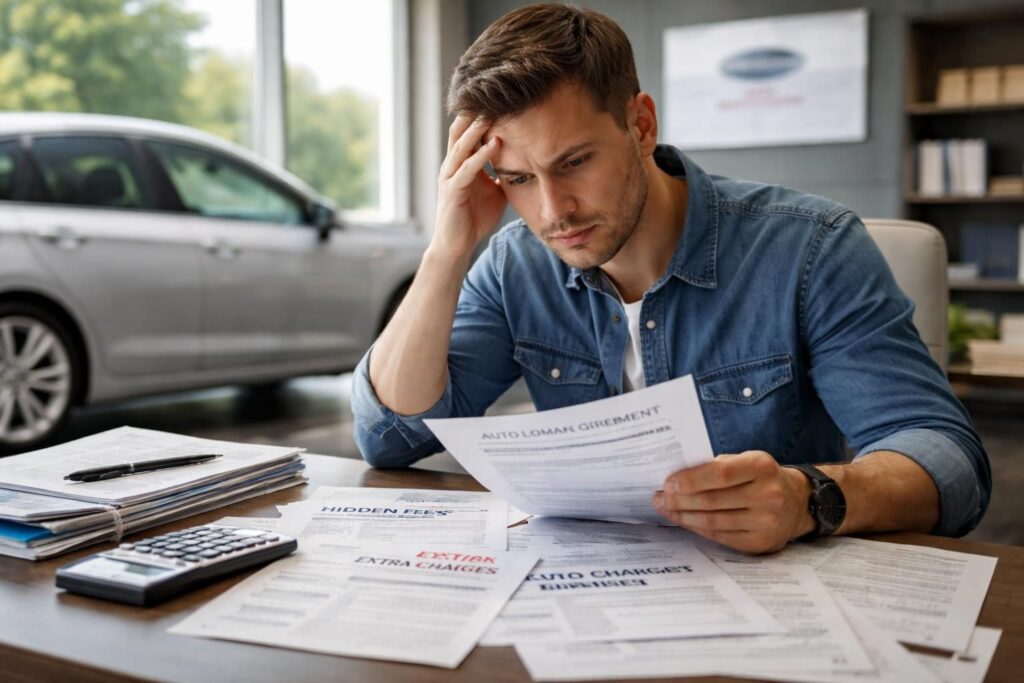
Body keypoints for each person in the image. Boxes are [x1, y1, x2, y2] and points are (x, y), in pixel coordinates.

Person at [351, 3, 990, 554]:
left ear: (641, 124)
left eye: (573, 162)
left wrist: (811, 496)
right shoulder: (514, 262)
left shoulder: (810, 249)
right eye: (517, 179)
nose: (553, 211)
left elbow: (947, 459)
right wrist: (447, 252)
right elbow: (390, 436)